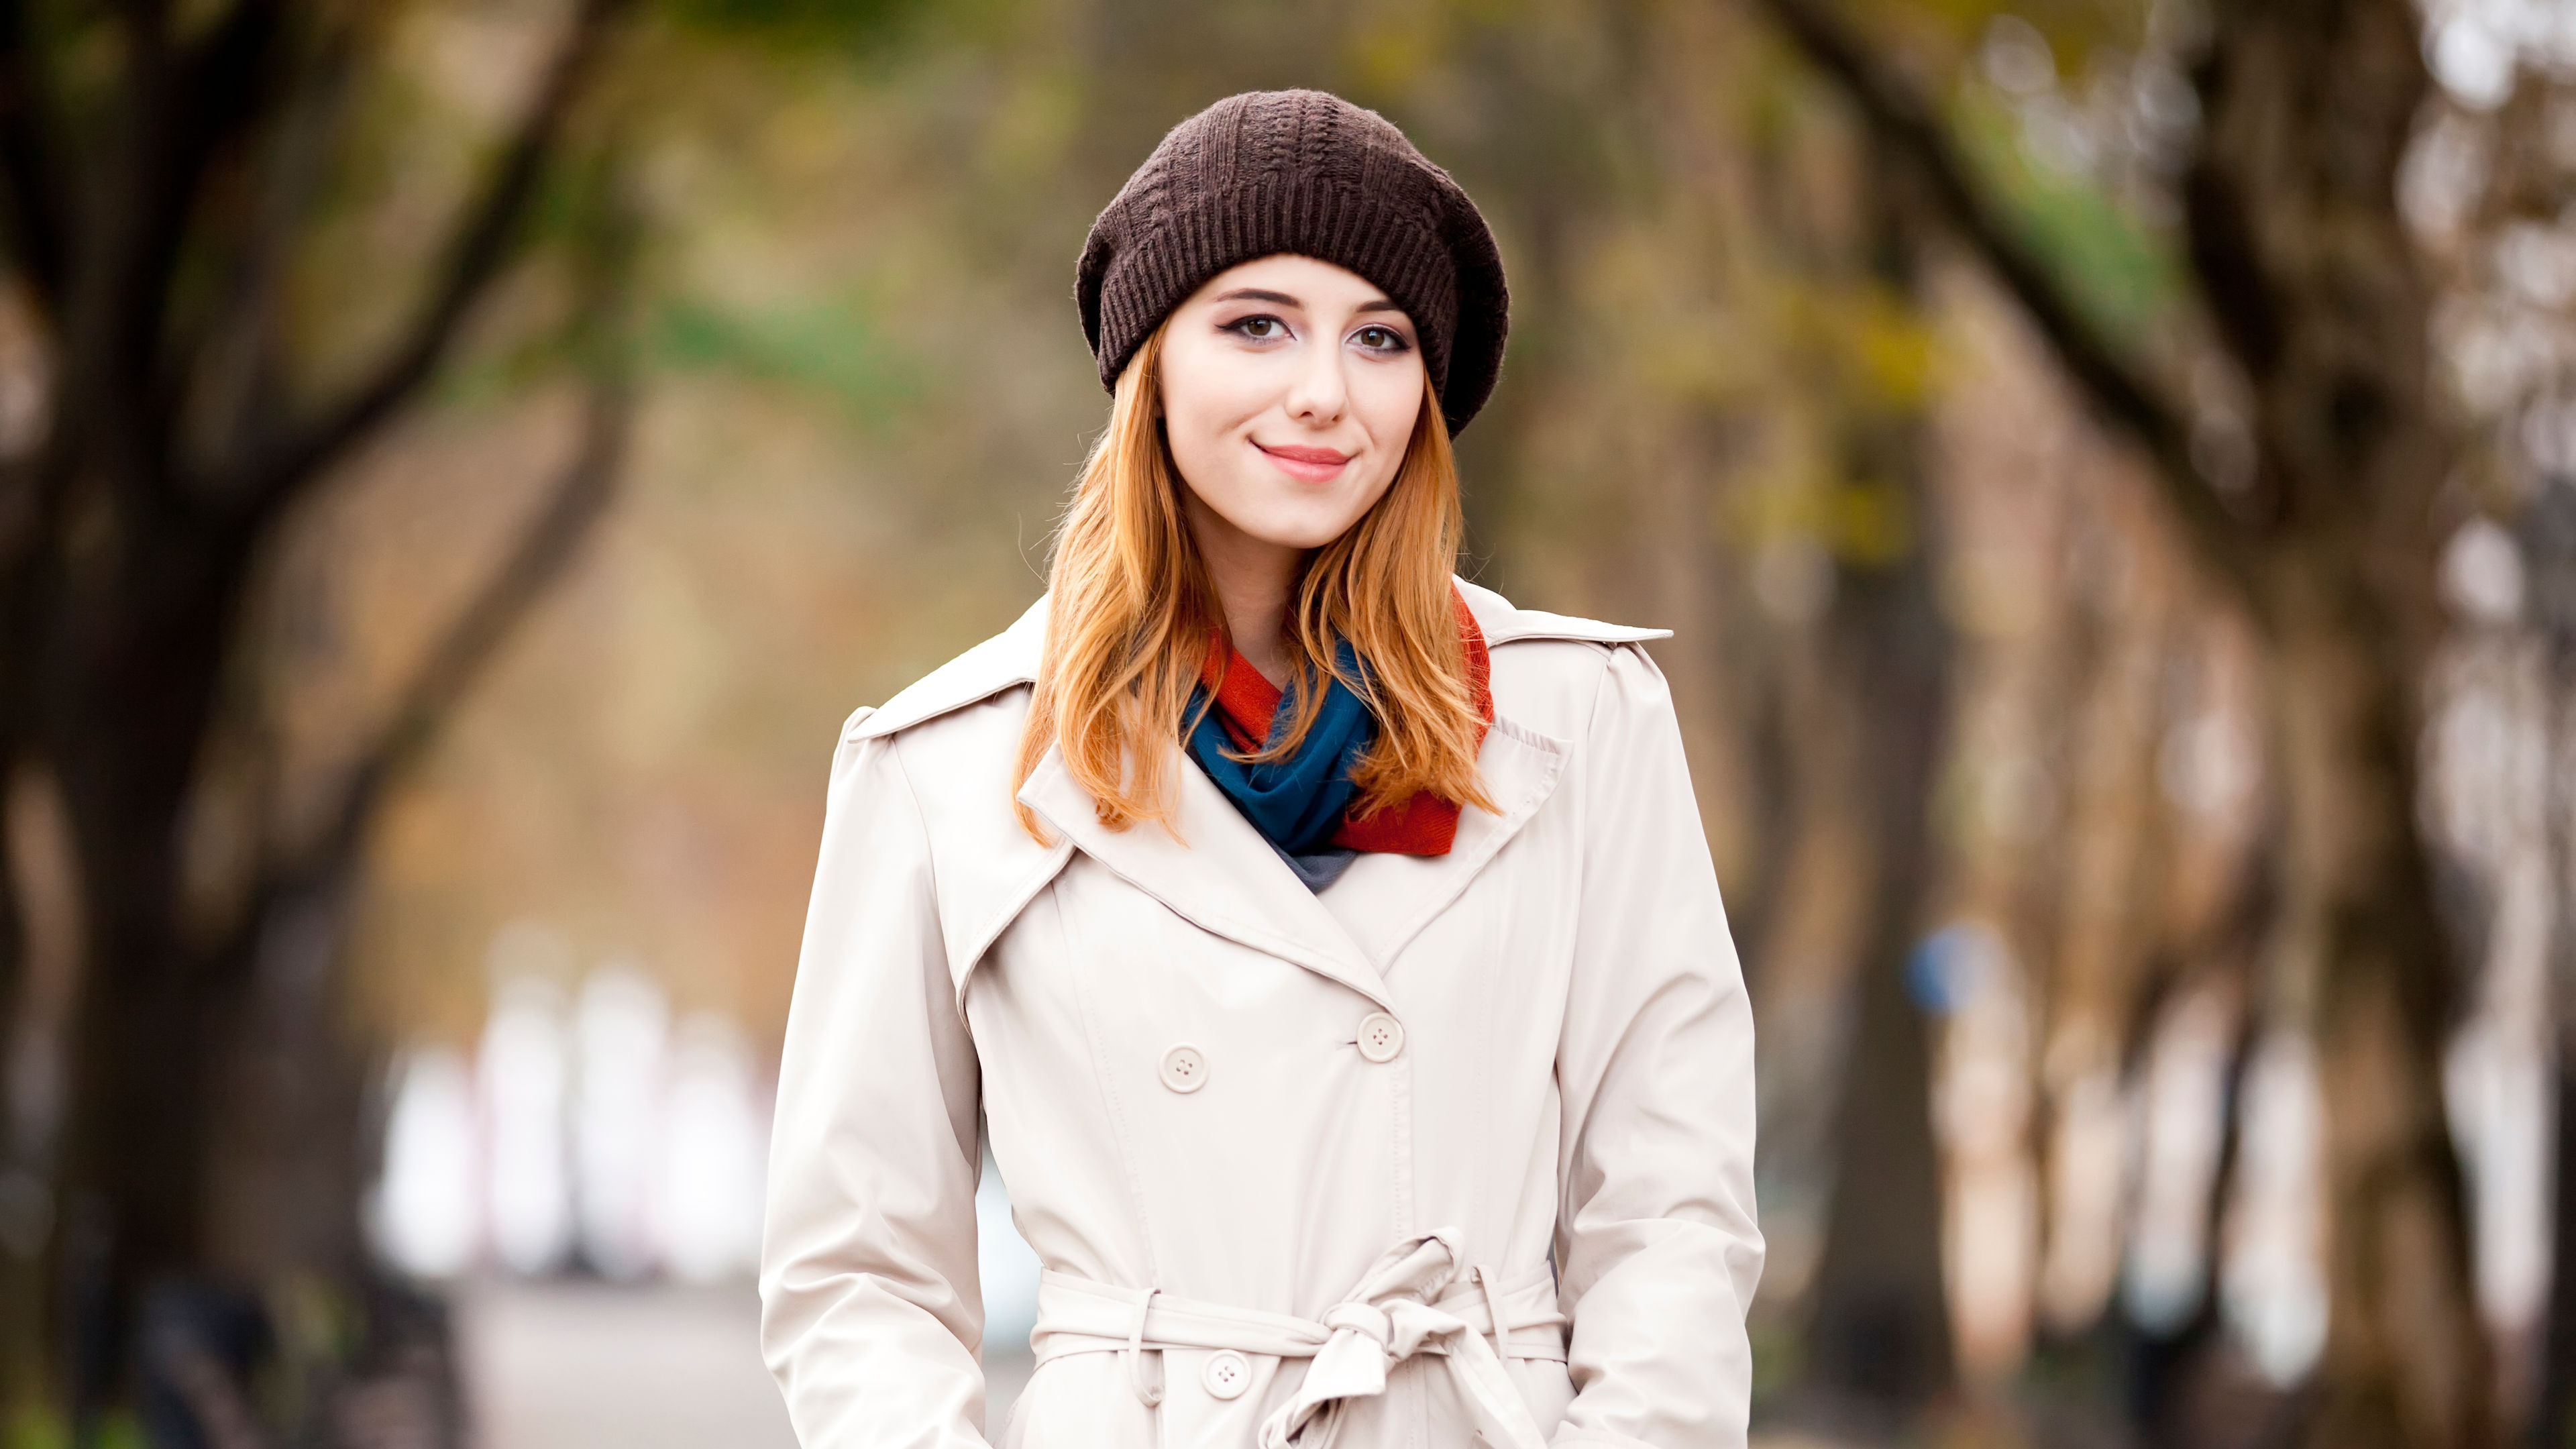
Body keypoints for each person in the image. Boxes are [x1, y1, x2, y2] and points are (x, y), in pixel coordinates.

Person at [761, 89, 1762, 1448]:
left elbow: (1670, 1205)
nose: (1324, 393)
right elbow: (858, 1267)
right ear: (1151, 367)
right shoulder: (951, 762)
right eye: (1257, 325)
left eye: (1381, 339)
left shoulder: (1576, 720)